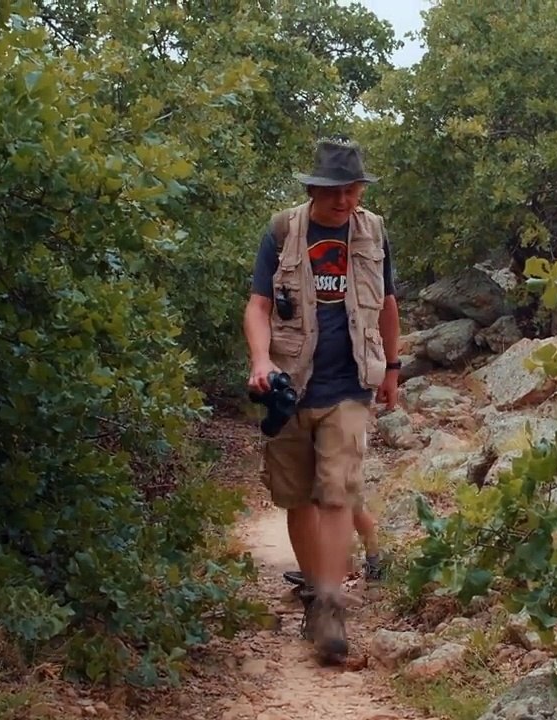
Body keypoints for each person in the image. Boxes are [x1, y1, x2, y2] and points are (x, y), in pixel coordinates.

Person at [243, 136, 401, 664]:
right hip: (290, 383)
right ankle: (315, 593)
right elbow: (259, 304)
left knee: (338, 491)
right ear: (314, 188)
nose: (346, 200)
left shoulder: (374, 231)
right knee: (298, 496)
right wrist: (260, 361)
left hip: (350, 383)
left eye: (354, 189)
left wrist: (393, 368)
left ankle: (333, 603)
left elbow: (388, 303)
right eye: (336, 191)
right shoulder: (283, 230)